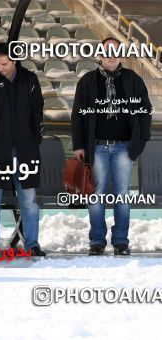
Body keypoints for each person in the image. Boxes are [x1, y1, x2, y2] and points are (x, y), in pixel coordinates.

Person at [71, 37, 152, 256]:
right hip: (96, 147)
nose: (112, 55)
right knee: (95, 195)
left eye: (115, 51)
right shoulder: (87, 81)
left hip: (124, 148)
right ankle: (97, 241)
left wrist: (140, 142)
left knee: (122, 195)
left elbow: (146, 111)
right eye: (107, 51)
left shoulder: (133, 79)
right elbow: (78, 115)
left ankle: (120, 242)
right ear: (99, 55)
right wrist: (79, 145)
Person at [0, 42, 46, 256]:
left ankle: (32, 244)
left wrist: (34, 138)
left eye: (4, 63)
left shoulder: (30, 79)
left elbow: (37, 111)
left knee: (29, 201)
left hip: (25, 150)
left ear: (14, 60)